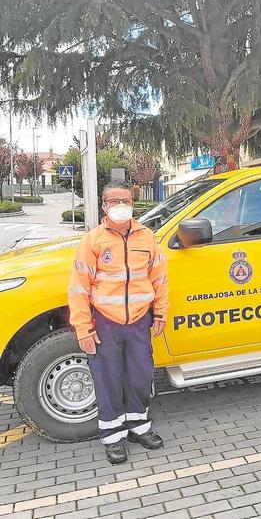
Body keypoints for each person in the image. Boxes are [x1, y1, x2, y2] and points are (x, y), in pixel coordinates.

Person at [68, 181, 168, 464]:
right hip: (105, 324)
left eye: (125, 200)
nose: (120, 206)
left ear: (133, 203)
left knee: (141, 376)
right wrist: (83, 328)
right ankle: (113, 437)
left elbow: (159, 279)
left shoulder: (147, 238)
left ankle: (139, 427)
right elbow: (78, 288)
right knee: (108, 379)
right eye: (114, 201)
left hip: (138, 322)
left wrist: (160, 312)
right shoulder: (92, 241)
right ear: (104, 204)